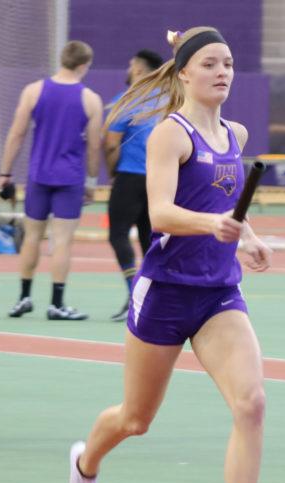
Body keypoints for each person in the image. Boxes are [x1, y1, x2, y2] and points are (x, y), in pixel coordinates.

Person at [67, 27, 276, 483]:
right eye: (209, 63)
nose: (222, 71)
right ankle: (86, 462)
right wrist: (217, 225)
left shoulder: (235, 132)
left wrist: (248, 237)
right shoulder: (169, 134)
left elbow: (227, 204)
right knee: (136, 419)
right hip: (165, 291)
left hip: (218, 293)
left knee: (251, 403)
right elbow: (160, 214)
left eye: (228, 63)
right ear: (184, 71)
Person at [0, 41, 103, 321]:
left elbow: (16, 134)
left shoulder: (33, 91)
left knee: (32, 236)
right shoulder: (90, 99)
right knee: (62, 242)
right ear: (84, 65)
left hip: (38, 176)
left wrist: (5, 173)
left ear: (62, 60)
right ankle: (56, 303)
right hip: (69, 179)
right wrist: (92, 181)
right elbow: (95, 146)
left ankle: (24, 298)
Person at [103, 49, 164, 321]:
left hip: (129, 176)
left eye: (130, 64)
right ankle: (154, 297)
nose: (127, 69)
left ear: (139, 70)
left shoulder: (126, 101)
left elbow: (111, 143)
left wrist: (111, 171)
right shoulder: (165, 102)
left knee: (117, 234)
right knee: (149, 238)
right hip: (157, 180)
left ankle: (133, 295)